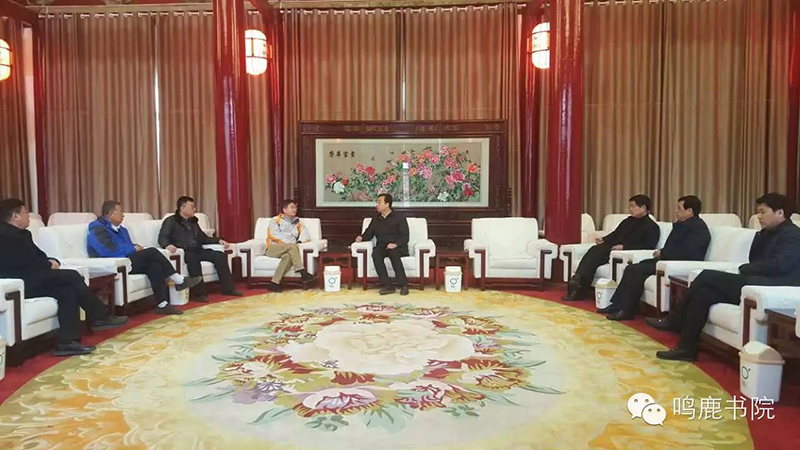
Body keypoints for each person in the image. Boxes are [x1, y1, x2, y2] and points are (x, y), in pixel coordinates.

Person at [649, 193, 800, 361]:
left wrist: (746, 268)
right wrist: (760, 239)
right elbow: (755, 258)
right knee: (704, 294)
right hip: (754, 282)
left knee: (706, 276)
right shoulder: (767, 233)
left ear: (780, 212)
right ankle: (686, 348)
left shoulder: (793, 235)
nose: (759, 216)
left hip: (770, 286)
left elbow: (780, 265)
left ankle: (675, 320)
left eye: (763, 212)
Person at [0, 198, 129, 356]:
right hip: (18, 284)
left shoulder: (23, 234)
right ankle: (100, 316)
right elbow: (20, 262)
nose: (29, 216)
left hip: (34, 277)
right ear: (15, 216)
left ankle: (67, 342)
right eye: (26, 212)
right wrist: (47, 264)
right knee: (71, 276)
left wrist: (49, 261)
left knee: (67, 292)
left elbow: (38, 256)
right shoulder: (4, 236)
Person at [602, 196, 711, 321]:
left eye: (679, 208)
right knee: (633, 268)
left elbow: (688, 251)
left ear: (689, 210)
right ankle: (619, 305)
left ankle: (626, 310)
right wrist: (662, 252)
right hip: (667, 259)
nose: (676, 211)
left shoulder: (698, 228)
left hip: (677, 263)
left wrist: (663, 253)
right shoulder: (683, 224)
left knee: (636, 270)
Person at [86, 200, 201, 315]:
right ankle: (178, 279)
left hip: (127, 260)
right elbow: (107, 250)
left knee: (154, 266)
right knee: (152, 251)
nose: (123, 215)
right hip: (114, 263)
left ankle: (162, 304)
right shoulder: (97, 229)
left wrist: (135, 247)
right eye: (120, 212)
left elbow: (126, 246)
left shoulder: (122, 230)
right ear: (111, 214)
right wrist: (132, 249)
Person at [563, 194, 661, 301]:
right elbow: (615, 233)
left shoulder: (652, 227)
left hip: (624, 253)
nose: (630, 209)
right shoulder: (628, 221)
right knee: (595, 250)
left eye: (633, 206)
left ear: (643, 208)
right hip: (613, 248)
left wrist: (624, 247)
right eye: (630, 207)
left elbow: (648, 246)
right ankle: (578, 280)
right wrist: (604, 239)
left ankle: (579, 286)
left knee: (597, 252)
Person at [158, 196, 242, 302]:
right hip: (185, 251)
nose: (195, 209)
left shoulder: (193, 222)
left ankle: (228, 289)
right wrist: (167, 245)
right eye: (192, 207)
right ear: (182, 208)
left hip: (198, 249)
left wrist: (218, 240)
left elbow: (203, 238)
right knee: (193, 260)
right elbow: (162, 237)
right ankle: (199, 293)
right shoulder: (171, 221)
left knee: (219, 256)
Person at [355, 193, 410, 296]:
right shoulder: (376, 219)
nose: (377, 205)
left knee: (393, 252)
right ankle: (387, 285)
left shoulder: (399, 217)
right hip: (382, 246)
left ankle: (403, 285)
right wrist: (361, 237)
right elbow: (369, 233)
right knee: (376, 254)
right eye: (377, 202)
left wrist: (395, 244)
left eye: (379, 202)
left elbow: (405, 236)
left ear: (387, 204)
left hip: (398, 247)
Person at [264, 199, 317, 293]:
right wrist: (290, 244)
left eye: (295, 207)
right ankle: (303, 272)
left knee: (288, 257)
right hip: (273, 248)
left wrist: (299, 241)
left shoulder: (297, 222)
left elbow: (305, 233)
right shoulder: (275, 220)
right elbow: (273, 235)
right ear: (284, 209)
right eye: (292, 207)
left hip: (288, 249)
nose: (294, 209)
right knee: (292, 246)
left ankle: (274, 283)